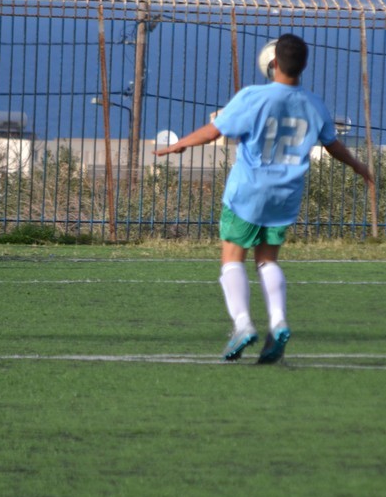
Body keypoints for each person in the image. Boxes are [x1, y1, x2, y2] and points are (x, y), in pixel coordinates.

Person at [154, 33, 374, 364]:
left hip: (248, 191)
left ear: (273, 63)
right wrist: (358, 166)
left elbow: (214, 131)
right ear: (303, 65)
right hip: (285, 195)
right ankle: (279, 321)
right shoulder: (314, 104)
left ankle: (243, 324)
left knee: (232, 257)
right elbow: (332, 144)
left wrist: (180, 143)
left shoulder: (253, 97)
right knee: (268, 260)